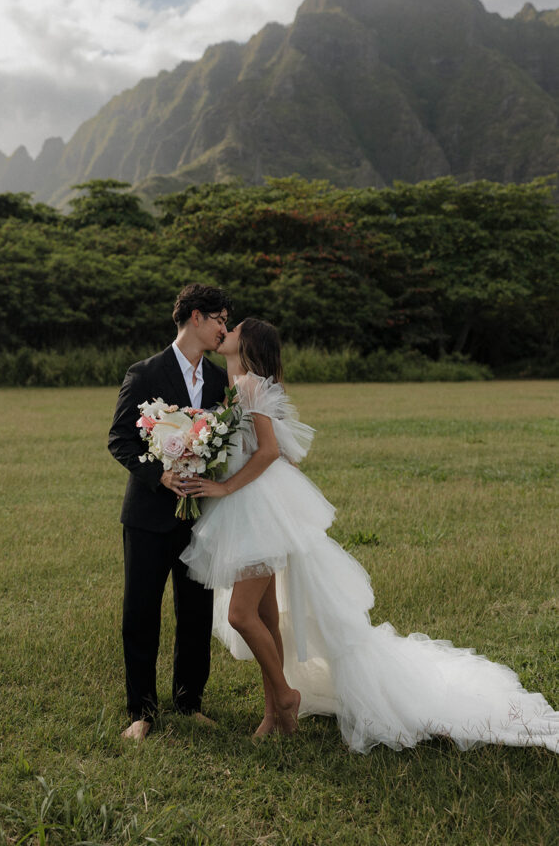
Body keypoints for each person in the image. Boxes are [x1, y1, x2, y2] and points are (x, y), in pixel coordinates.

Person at [179, 318, 559, 752]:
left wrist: (226, 486)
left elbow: (268, 451)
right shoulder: (237, 383)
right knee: (265, 618)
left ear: (248, 343)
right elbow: (280, 454)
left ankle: (285, 696)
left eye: (236, 327)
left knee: (240, 615)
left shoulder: (247, 385)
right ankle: (275, 715)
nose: (227, 328)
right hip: (256, 508)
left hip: (256, 508)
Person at [108, 283, 231, 742]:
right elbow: (120, 439)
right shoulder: (143, 374)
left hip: (201, 515)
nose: (225, 328)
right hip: (147, 516)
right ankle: (141, 711)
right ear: (195, 317)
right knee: (140, 611)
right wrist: (159, 474)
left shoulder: (220, 380)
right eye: (220, 319)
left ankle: (189, 701)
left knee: (197, 610)